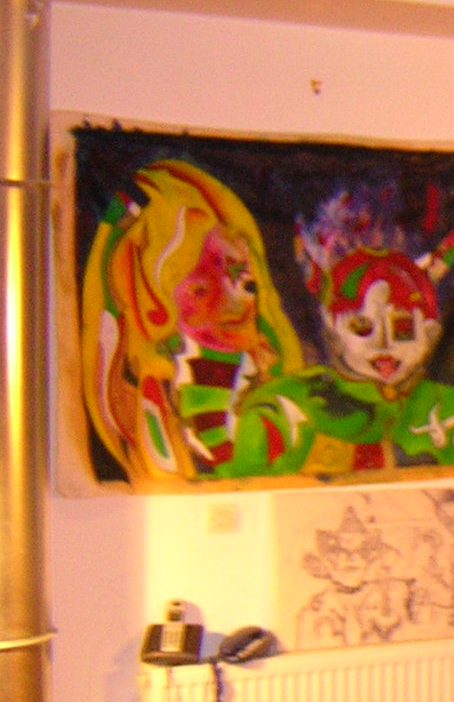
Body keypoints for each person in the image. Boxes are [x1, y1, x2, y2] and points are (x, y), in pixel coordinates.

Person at [221, 192, 454, 479]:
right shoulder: (283, 408)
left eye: (403, 329)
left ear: (429, 333)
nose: (384, 345)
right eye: (362, 327)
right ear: (333, 329)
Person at [79, 159, 302, 484]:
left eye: (245, 283)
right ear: (153, 299)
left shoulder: (272, 370)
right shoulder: (150, 389)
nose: (233, 304)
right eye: (200, 290)